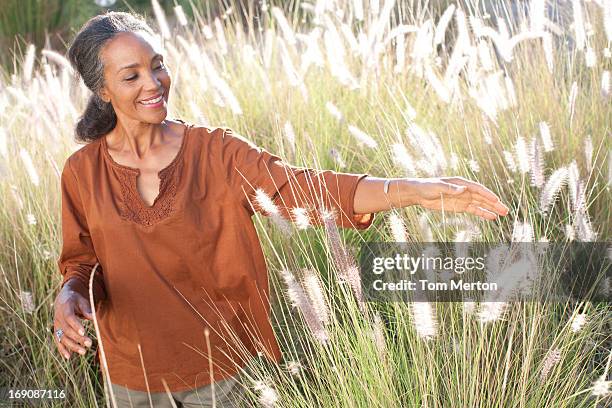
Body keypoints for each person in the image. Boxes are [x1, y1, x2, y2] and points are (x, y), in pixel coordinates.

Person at [51, 11, 510, 408]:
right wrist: (69, 295)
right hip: (131, 375)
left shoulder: (217, 152)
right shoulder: (81, 172)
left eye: (158, 66)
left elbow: (303, 188)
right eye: (131, 76)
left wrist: (414, 190)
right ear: (103, 90)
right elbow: (81, 260)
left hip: (224, 368)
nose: (154, 84)